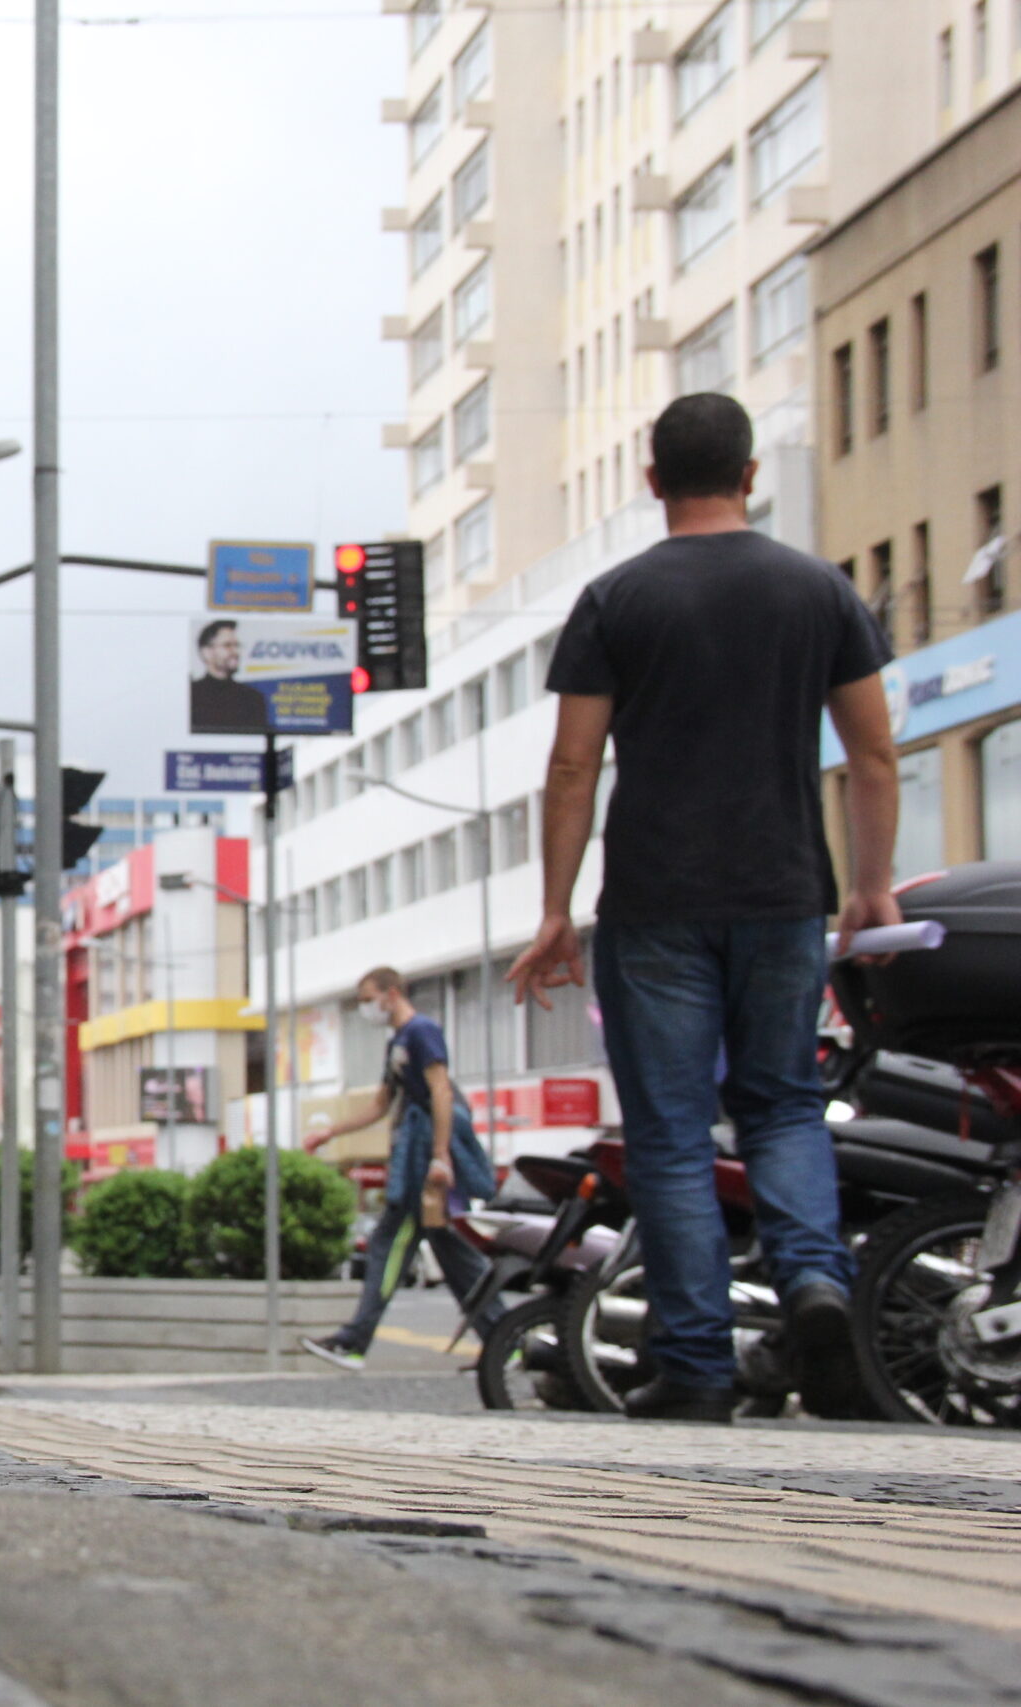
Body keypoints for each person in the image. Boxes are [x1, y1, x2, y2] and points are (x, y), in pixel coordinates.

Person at [508, 392, 896, 1424]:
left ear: (650, 481)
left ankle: (693, 1366)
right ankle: (814, 1282)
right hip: (782, 894)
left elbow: (571, 764)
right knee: (781, 1106)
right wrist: (868, 884)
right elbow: (872, 753)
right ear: (749, 474)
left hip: (655, 901)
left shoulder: (615, 598)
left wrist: (554, 907)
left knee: (674, 1133)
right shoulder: (818, 590)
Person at [300, 967, 503, 1371]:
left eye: (367, 998)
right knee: (453, 1254)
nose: (365, 1008)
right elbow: (381, 1103)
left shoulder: (421, 1032)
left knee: (389, 1242)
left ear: (391, 994)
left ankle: (355, 1341)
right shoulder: (398, 1041)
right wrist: (331, 1132)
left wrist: (440, 1156)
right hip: (420, 1150)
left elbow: (440, 1089)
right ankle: (505, 1341)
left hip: (423, 1155)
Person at [189, 618, 269, 734]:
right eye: (227, 645)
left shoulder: (252, 699)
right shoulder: (191, 695)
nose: (235, 652)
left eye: (237, 645)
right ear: (206, 652)